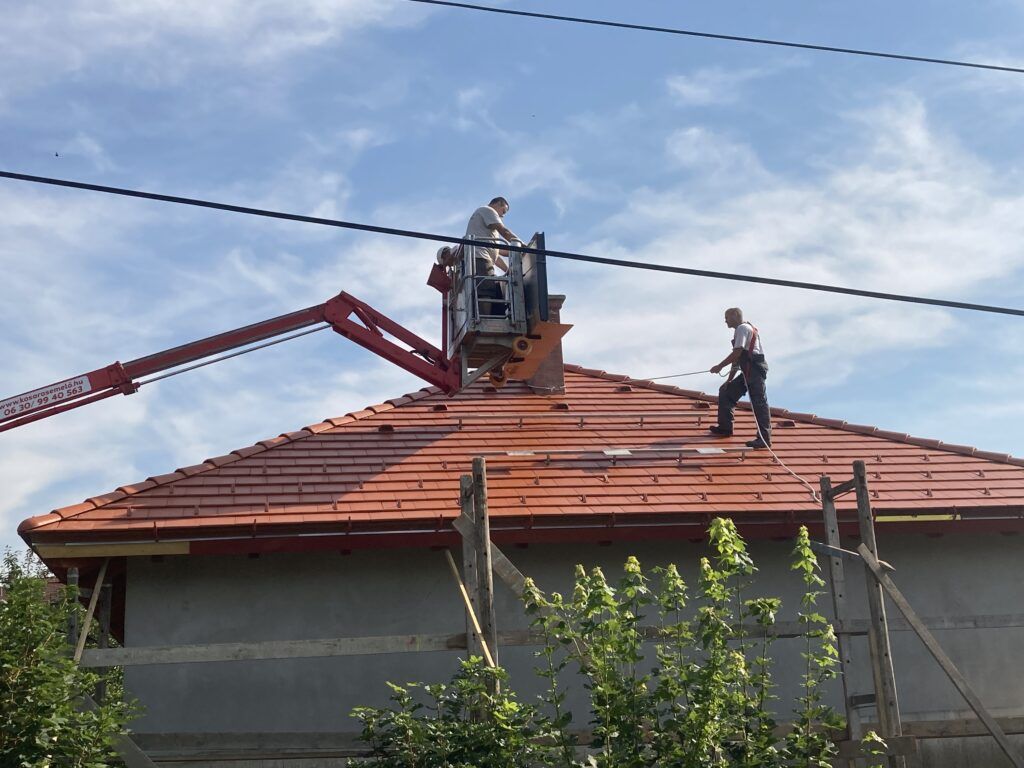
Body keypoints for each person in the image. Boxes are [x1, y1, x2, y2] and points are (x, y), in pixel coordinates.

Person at [708, 307, 772, 449]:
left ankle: (764, 439)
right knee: (726, 392)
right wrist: (729, 379)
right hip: (748, 371)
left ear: (735, 315)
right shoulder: (744, 329)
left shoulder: (742, 328)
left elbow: (737, 353)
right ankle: (725, 427)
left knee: (759, 403)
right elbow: (739, 359)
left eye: (727, 317)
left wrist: (720, 366)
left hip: (754, 371)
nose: (725, 321)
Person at [464, 197, 522, 316]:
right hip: (480, 257)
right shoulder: (488, 210)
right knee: (487, 290)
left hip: (483, 257)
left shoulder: (486, 226)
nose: (502, 216)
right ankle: (486, 318)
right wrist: (523, 246)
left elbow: (497, 251)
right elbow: (505, 232)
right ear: (498, 204)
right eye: (503, 211)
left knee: (493, 288)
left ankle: (492, 316)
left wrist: (507, 269)